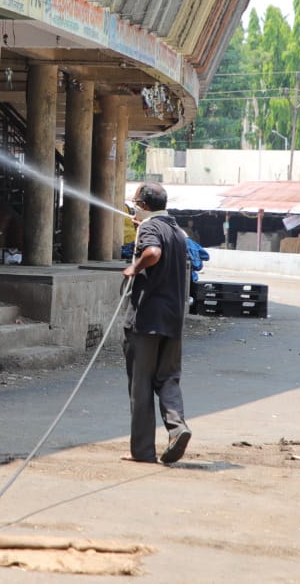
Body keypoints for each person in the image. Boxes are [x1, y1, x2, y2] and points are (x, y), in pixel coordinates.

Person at [121, 181, 192, 464]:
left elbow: (153, 253)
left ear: (145, 205)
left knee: (140, 386)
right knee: (168, 379)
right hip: (173, 320)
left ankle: (143, 452)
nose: (134, 207)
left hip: (147, 319)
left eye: (136, 202)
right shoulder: (178, 231)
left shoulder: (149, 228)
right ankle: (178, 428)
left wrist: (134, 267)